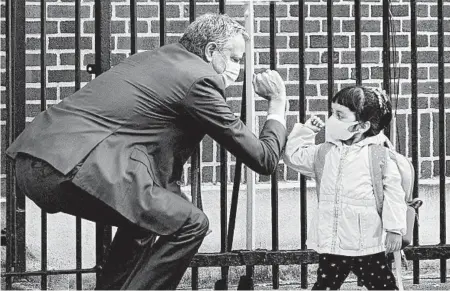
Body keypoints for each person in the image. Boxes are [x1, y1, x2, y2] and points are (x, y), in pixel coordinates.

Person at [6, 13, 288, 290]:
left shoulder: (153, 60)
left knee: (147, 222)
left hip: (34, 161)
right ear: (211, 50)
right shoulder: (199, 80)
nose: (237, 69)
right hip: (72, 166)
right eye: (236, 58)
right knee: (191, 223)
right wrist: (277, 103)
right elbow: (263, 159)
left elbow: (153, 149)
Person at [283, 86, 406, 290]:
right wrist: (306, 132)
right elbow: (293, 157)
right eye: (333, 113)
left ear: (362, 126)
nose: (332, 119)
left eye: (340, 115)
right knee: (324, 285)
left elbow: (394, 194)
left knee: (383, 286)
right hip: (334, 242)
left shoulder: (379, 156)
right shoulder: (325, 152)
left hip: (367, 242)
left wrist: (394, 229)